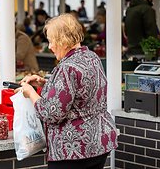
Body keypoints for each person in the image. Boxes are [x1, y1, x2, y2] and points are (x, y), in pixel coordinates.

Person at [19, 14, 118, 169]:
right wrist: (45, 82)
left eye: (51, 41)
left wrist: (31, 93)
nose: (50, 46)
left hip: (74, 149)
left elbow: (51, 113)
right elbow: (81, 89)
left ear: (63, 40)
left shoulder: (67, 67)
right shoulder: (91, 57)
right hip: (99, 142)